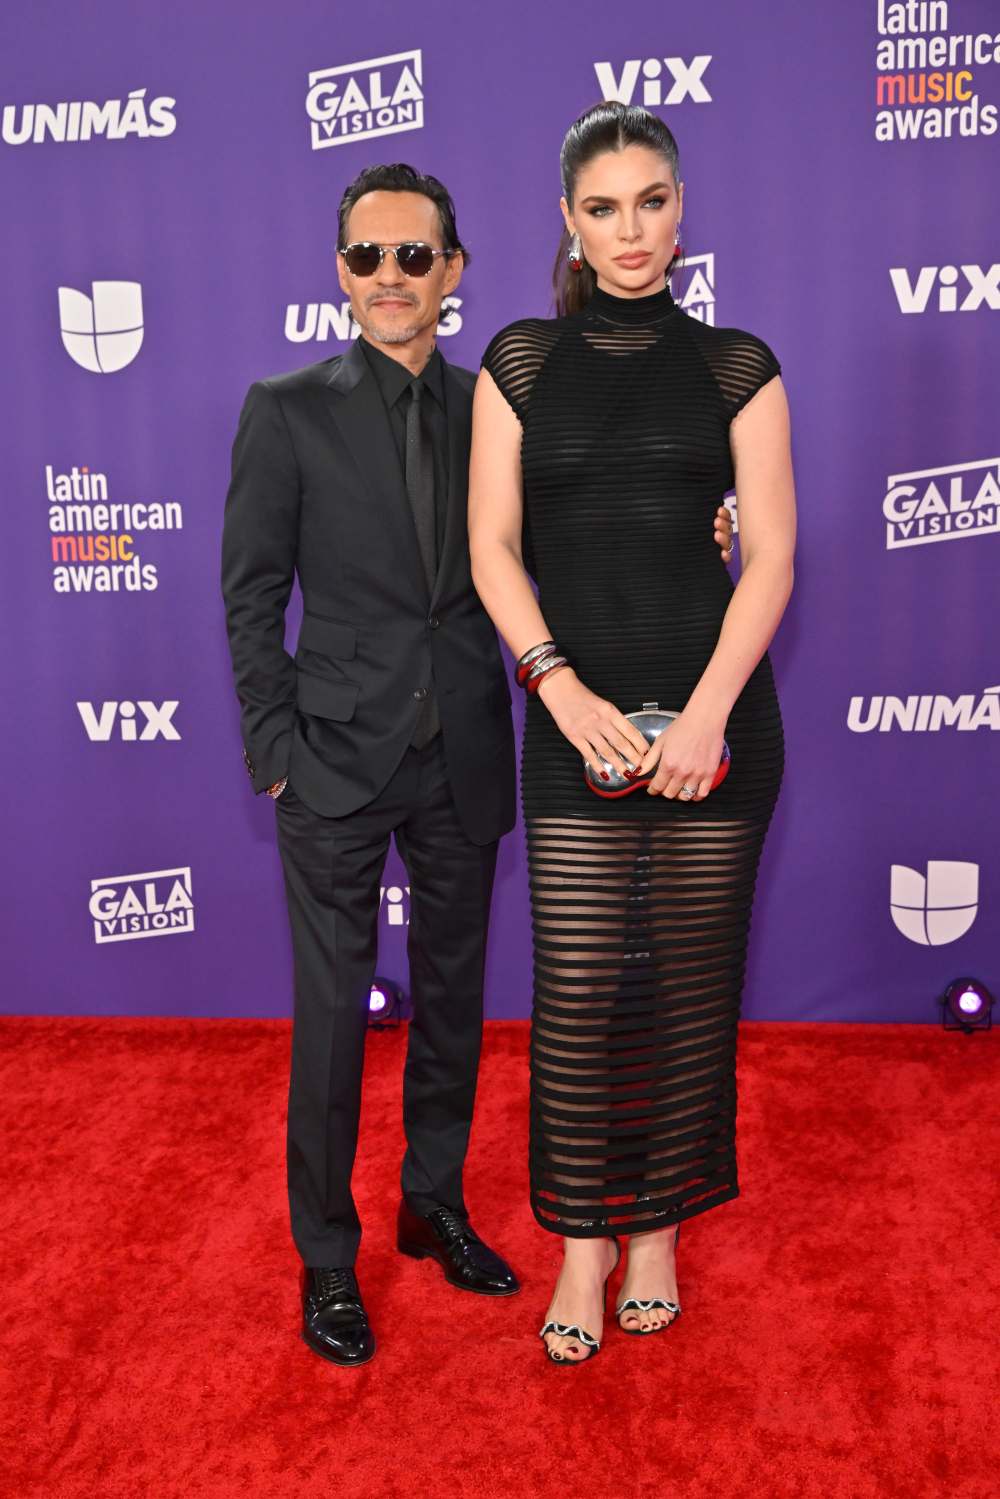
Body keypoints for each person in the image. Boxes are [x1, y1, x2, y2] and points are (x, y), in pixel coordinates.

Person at [222, 159, 737, 1370]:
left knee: (452, 1006)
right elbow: (250, 596)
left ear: (452, 272)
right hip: (334, 763)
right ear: (338, 272)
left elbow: (580, 529)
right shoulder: (283, 406)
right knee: (332, 1026)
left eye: (415, 256)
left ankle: (433, 1203)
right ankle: (328, 1258)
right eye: (366, 257)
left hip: (467, 750)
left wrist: (710, 524)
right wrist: (274, 754)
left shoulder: (507, 400)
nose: (390, 277)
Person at [469, 103, 796, 1365]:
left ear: (680, 207)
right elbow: (492, 546)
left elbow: (768, 556)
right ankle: (583, 1242)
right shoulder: (518, 363)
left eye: (650, 201)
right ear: (567, 219)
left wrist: (706, 713)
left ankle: (655, 1228)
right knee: (583, 992)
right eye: (602, 207)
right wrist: (556, 688)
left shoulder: (738, 367)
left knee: (686, 991)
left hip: (717, 725)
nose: (629, 231)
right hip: (572, 721)